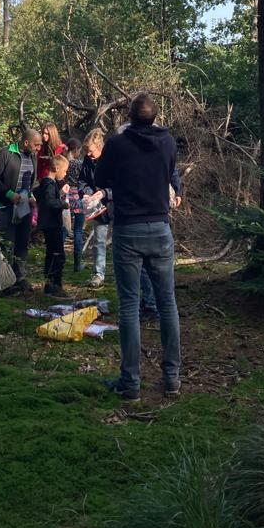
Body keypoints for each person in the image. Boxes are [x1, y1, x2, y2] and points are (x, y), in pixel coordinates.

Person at [95, 93, 181, 402]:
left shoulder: (118, 144)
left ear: (129, 117)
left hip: (129, 229)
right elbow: (170, 173)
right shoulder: (168, 142)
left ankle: (130, 382)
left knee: (129, 306)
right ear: (155, 117)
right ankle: (172, 378)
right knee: (167, 303)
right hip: (160, 227)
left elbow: (99, 176)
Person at [0, 128, 42, 295]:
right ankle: (6, 282)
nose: (38, 148)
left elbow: (30, 181)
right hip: (5, 205)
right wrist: (9, 194)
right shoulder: (6, 153)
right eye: (36, 145)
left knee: (22, 242)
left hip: (24, 206)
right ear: (26, 142)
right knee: (7, 244)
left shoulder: (32, 156)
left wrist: (31, 195)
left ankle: (20, 278)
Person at [34, 154, 71, 297]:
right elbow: (50, 202)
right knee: (57, 254)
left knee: (51, 253)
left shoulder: (45, 183)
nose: (65, 173)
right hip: (52, 224)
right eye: (65, 170)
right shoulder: (50, 184)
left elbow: (38, 194)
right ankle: (55, 285)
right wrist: (63, 204)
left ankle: (50, 283)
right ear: (56, 168)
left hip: (48, 224)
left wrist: (59, 194)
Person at [79, 129, 111, 287]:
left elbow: (123, 184)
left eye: (91, 151)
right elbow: (82, 181)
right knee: (99, 241)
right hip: (96, 207)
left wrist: (104, 193)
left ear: (100, 147)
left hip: (116, 205)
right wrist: (86, 193)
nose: (89, 154)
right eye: (87, 151)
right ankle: (98, 273)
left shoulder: (113, 158)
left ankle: (124, 273)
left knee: (121, 241)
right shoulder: (87, 160)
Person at [65, 138, 85, 270]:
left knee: (64, 228)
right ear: (76, 150)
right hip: (77, 196)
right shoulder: (79, 164)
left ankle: (58, 258)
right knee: (78, 229)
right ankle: (77, 263)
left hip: (65, 197)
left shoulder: (63, 162)